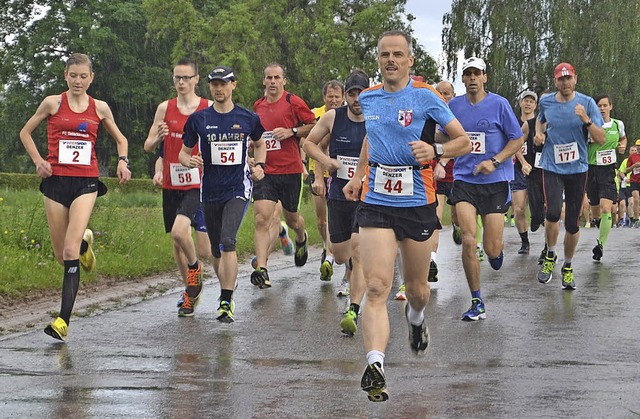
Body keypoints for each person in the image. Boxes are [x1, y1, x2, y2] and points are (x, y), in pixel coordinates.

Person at [342, 30, 471, 402]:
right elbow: (371, 137)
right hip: (377, 199)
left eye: (398, 54)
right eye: (385, 55)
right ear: (378, 59)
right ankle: (376, 364)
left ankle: (415, 320)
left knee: (416, 290)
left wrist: (436, 150)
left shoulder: (425, 96)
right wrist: (358, 175)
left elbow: (462, 141)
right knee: (378, 285)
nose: (391, 60)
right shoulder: (368, 98)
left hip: (416, 201)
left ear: (410, 60)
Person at [19, 53, 131, 341]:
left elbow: (121, 139)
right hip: (55, 183)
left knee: (69, 254)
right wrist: (37, 161)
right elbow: (25, 132)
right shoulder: (52, 103)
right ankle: (84, 243)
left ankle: (62, 321)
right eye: (73, 75)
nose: (78, 81)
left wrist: (122, 161)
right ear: (65, 76)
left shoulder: (100, 108)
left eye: (84, 76)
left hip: (85, 182)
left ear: (91, 78)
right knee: (62, 254)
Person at [179, 65, 267, 322]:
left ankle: (226, 301)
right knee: (216, 252)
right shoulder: (199, 119)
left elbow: (260, 144)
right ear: (210, 87)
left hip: (237, 189)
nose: (219, 88)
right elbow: (183, 153)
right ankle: (228, 285)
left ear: (233, 85)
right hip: (210, 192)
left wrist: (259, 165)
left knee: (228, 241)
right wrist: (189, 161)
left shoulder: (248, 118)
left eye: (223, 83)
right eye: (214, 84)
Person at [440, 57, 524, 321]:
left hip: (495, 182)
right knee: (468, 239)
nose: (473, 78)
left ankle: (496, 253)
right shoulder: (454, 106)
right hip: (465, 179)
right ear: (463, 79)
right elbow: (445, 135)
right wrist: (429, 141)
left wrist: (495, 161)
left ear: (485, 77)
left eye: (477, 73)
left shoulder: (499, 104)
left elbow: (517, 139)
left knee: (491, 249)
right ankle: (477, 300)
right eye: (468, 74)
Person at [144, 58, 212, 317]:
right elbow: (148, 146)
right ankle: (190, 292)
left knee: (180, 233)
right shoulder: (165, 108)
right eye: (177, 78)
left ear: (196, 79)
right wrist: (158, 138)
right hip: (172, 182)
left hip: (198, 182)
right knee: (177, 243)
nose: (181, 83)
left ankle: (195, 268)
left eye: (186, 78)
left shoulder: (207, 108)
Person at [303, 69, 368, 336]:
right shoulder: (333, 117)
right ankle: (350, 267)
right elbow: (308, 144)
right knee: (342, 254)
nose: (355, 99)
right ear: (345, 96)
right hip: (339, 195)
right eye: (351, 94)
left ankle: (353, 309)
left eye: (360, 93)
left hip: (367, 197)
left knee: (359, 248)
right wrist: (326, 161)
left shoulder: (376, 118)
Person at [535, 62, 605, 289]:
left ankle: (567, 266)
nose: (565, 83)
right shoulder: (546, 101)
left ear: (575, 79)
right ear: (555, 81)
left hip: (577, 169)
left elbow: (601, 138)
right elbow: (540, 119)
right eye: (560, 79)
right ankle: (550, 256)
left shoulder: (586, 103)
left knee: (573, 223)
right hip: (552, 166)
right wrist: (538, 134)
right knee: (553, 212)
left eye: (568, 78)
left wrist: (586, 120)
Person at [251, 63, 316, 289]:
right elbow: (256, 137)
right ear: (263, 81)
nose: (272, 82)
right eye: (268, 78)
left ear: (283, 81)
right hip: (265, 170)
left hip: (290, 171)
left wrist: (292, 132)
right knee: (262, 218)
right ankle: (262, 269)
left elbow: (314, 125)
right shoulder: (257, 106)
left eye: (276, 77)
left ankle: (301, 237)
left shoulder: (293, 102)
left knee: (292, 219)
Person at [395, 79, 456, 300]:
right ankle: (426, 263)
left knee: (447, 217)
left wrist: (441, 161)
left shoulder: (448, 111)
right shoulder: (417, 108)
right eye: (440, 92)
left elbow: (460, 140)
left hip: (448, 174)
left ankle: (429, 259)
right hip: (419, 178)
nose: (443, 96)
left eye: (447, 93)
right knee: (429, 219)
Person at [307, 80, 345, 282]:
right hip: (318, 172)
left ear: (343, 98)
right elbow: (307, 141)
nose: (333, 100)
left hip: (339, 174)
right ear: (324, 98)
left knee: (334, 217)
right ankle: (326, 246)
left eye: (337, 97)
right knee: (322, 220)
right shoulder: (315, 114)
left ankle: (330, 255)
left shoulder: (347, 116)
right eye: (330, 96)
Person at [587, 94, 627, 261]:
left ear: (611, 106)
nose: (602, 108)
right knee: (595, 210)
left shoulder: (618, 124)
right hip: (591, 170)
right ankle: (597, 222)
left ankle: (600, 245)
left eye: (604, 105)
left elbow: (623, 138)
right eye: (599, 106)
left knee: (606, 208)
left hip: (609, 171)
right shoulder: (589, 124)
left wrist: (623, 145)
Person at [512, 90, 539, 254]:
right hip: (518, 169)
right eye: (525, 100)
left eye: (531, 101)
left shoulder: (540, 123)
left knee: (540, 209)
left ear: (535, 105)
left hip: (538, 169)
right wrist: (522, 162)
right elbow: (513, 144)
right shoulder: (513, 122)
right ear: (520, 103)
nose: (528, 104)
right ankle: (525, 242)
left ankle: (547, 245)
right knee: (519, 209)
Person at [624, 141, 640, 227]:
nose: (639, 147)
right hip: (634, 181)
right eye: (638, 146)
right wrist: (633, 166)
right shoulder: (632, 157)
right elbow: (626, 170)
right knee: (636, 199)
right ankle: (636, 219)